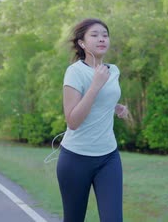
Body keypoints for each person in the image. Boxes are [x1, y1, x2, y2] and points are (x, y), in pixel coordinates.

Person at [57, 18, 129, 222]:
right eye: (95, 35)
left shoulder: (112, 70)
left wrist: (116, 106)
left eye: (105, 35)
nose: (101, 39)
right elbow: (73, 120)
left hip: (108, 157)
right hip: (75, 158)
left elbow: (101, 100)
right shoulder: (75, 72)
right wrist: (95, 85)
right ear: (82, 42)